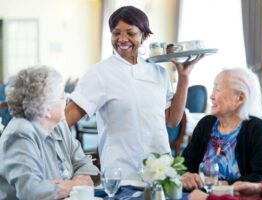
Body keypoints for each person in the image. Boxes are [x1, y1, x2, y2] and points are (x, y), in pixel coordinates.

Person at [65, 6, 203, 180]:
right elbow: (67, 119)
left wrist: (184, 77)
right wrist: (69, 159)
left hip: (161, 171)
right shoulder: (99, 73)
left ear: (143, 36)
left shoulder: (158, 72)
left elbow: (172, 120)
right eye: (116, 33)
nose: (122, 39)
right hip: (121, 173)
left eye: (130, 33)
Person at [0, 66, 99, 200]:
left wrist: (68, 185)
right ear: (46, 108)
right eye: (62, 96)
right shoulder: (19, 135)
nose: (66, 99)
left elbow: (84, 164)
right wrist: (76, 185)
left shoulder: (58, 125)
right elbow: (32, 192)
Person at [182, 67, 262, 190]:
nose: (211, 96)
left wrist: (221, 186)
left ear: (240, 98)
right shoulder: (206, 124)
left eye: (217, 89)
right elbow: (185, 163)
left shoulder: (256, 129)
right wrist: (187, 175)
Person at [189, 180, 262, 200]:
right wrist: (259, 188)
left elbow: (259, 175)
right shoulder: (206, 124)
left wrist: (210, 199)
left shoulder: (255, 128)